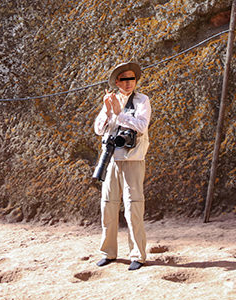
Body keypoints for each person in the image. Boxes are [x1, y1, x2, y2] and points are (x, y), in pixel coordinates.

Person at [94, 62, 151, 271]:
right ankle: (108, 253)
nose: (129, 83)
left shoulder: (142, 100)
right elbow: (99, 129)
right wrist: (108, 111)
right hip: (111, 160)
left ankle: (138, 255)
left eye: (132, 79)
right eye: (124, 79)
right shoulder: (112, 100)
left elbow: (142, 126)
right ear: (117, 82)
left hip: (133, 160)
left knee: (133, 206)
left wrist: (120, 114)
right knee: (108, 205)